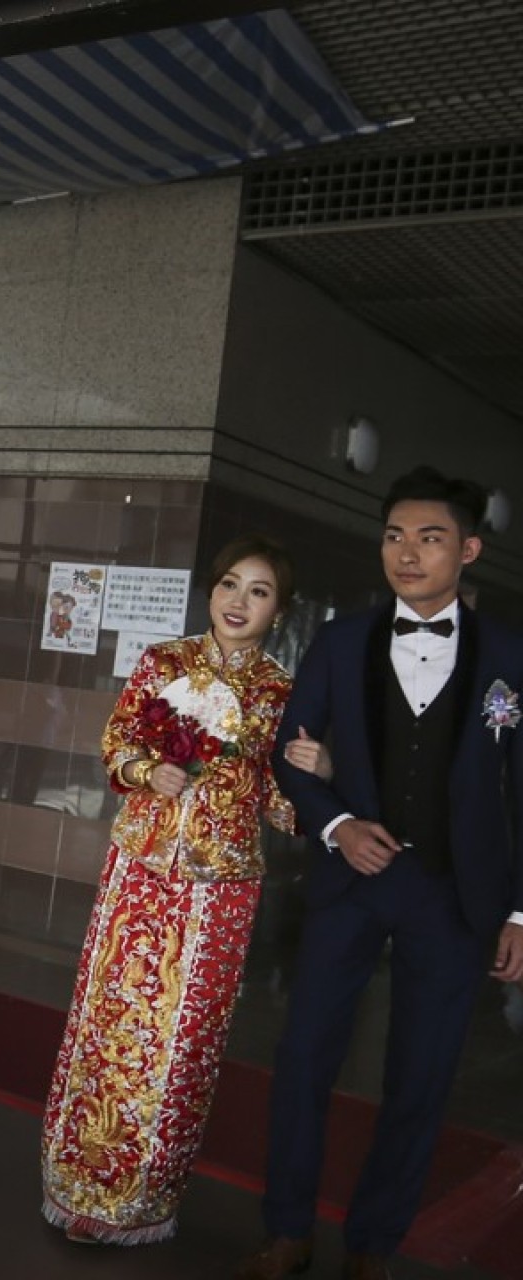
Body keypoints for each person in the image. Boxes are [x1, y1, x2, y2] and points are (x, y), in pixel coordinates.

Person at [239, 466, 523, 1280]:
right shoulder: (339, 641)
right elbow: (290, 757)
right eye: (395, 536)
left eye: (429, 538)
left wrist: (521, 914)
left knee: (421, 1077)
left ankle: (373, 1246)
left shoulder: (510, 656)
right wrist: (336, 822)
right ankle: (286, 1233)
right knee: (303, 1060)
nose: (407, 553)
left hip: (455, 897)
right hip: (347, 886)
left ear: (467, 550)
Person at [41, 534, 325, 1245]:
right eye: (230, 584)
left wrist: (319, 778)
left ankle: (144, 1203)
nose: (239, 601)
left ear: (280, 611)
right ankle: (75, 1185)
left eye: (258, 592)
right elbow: (117, 743)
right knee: (108, 1022)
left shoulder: (282, 695)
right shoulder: (163, 663)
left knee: (182, 1040)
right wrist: (145, 772)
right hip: (140, 869)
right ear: (213, 590)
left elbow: (280, 805)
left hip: (220, 888)